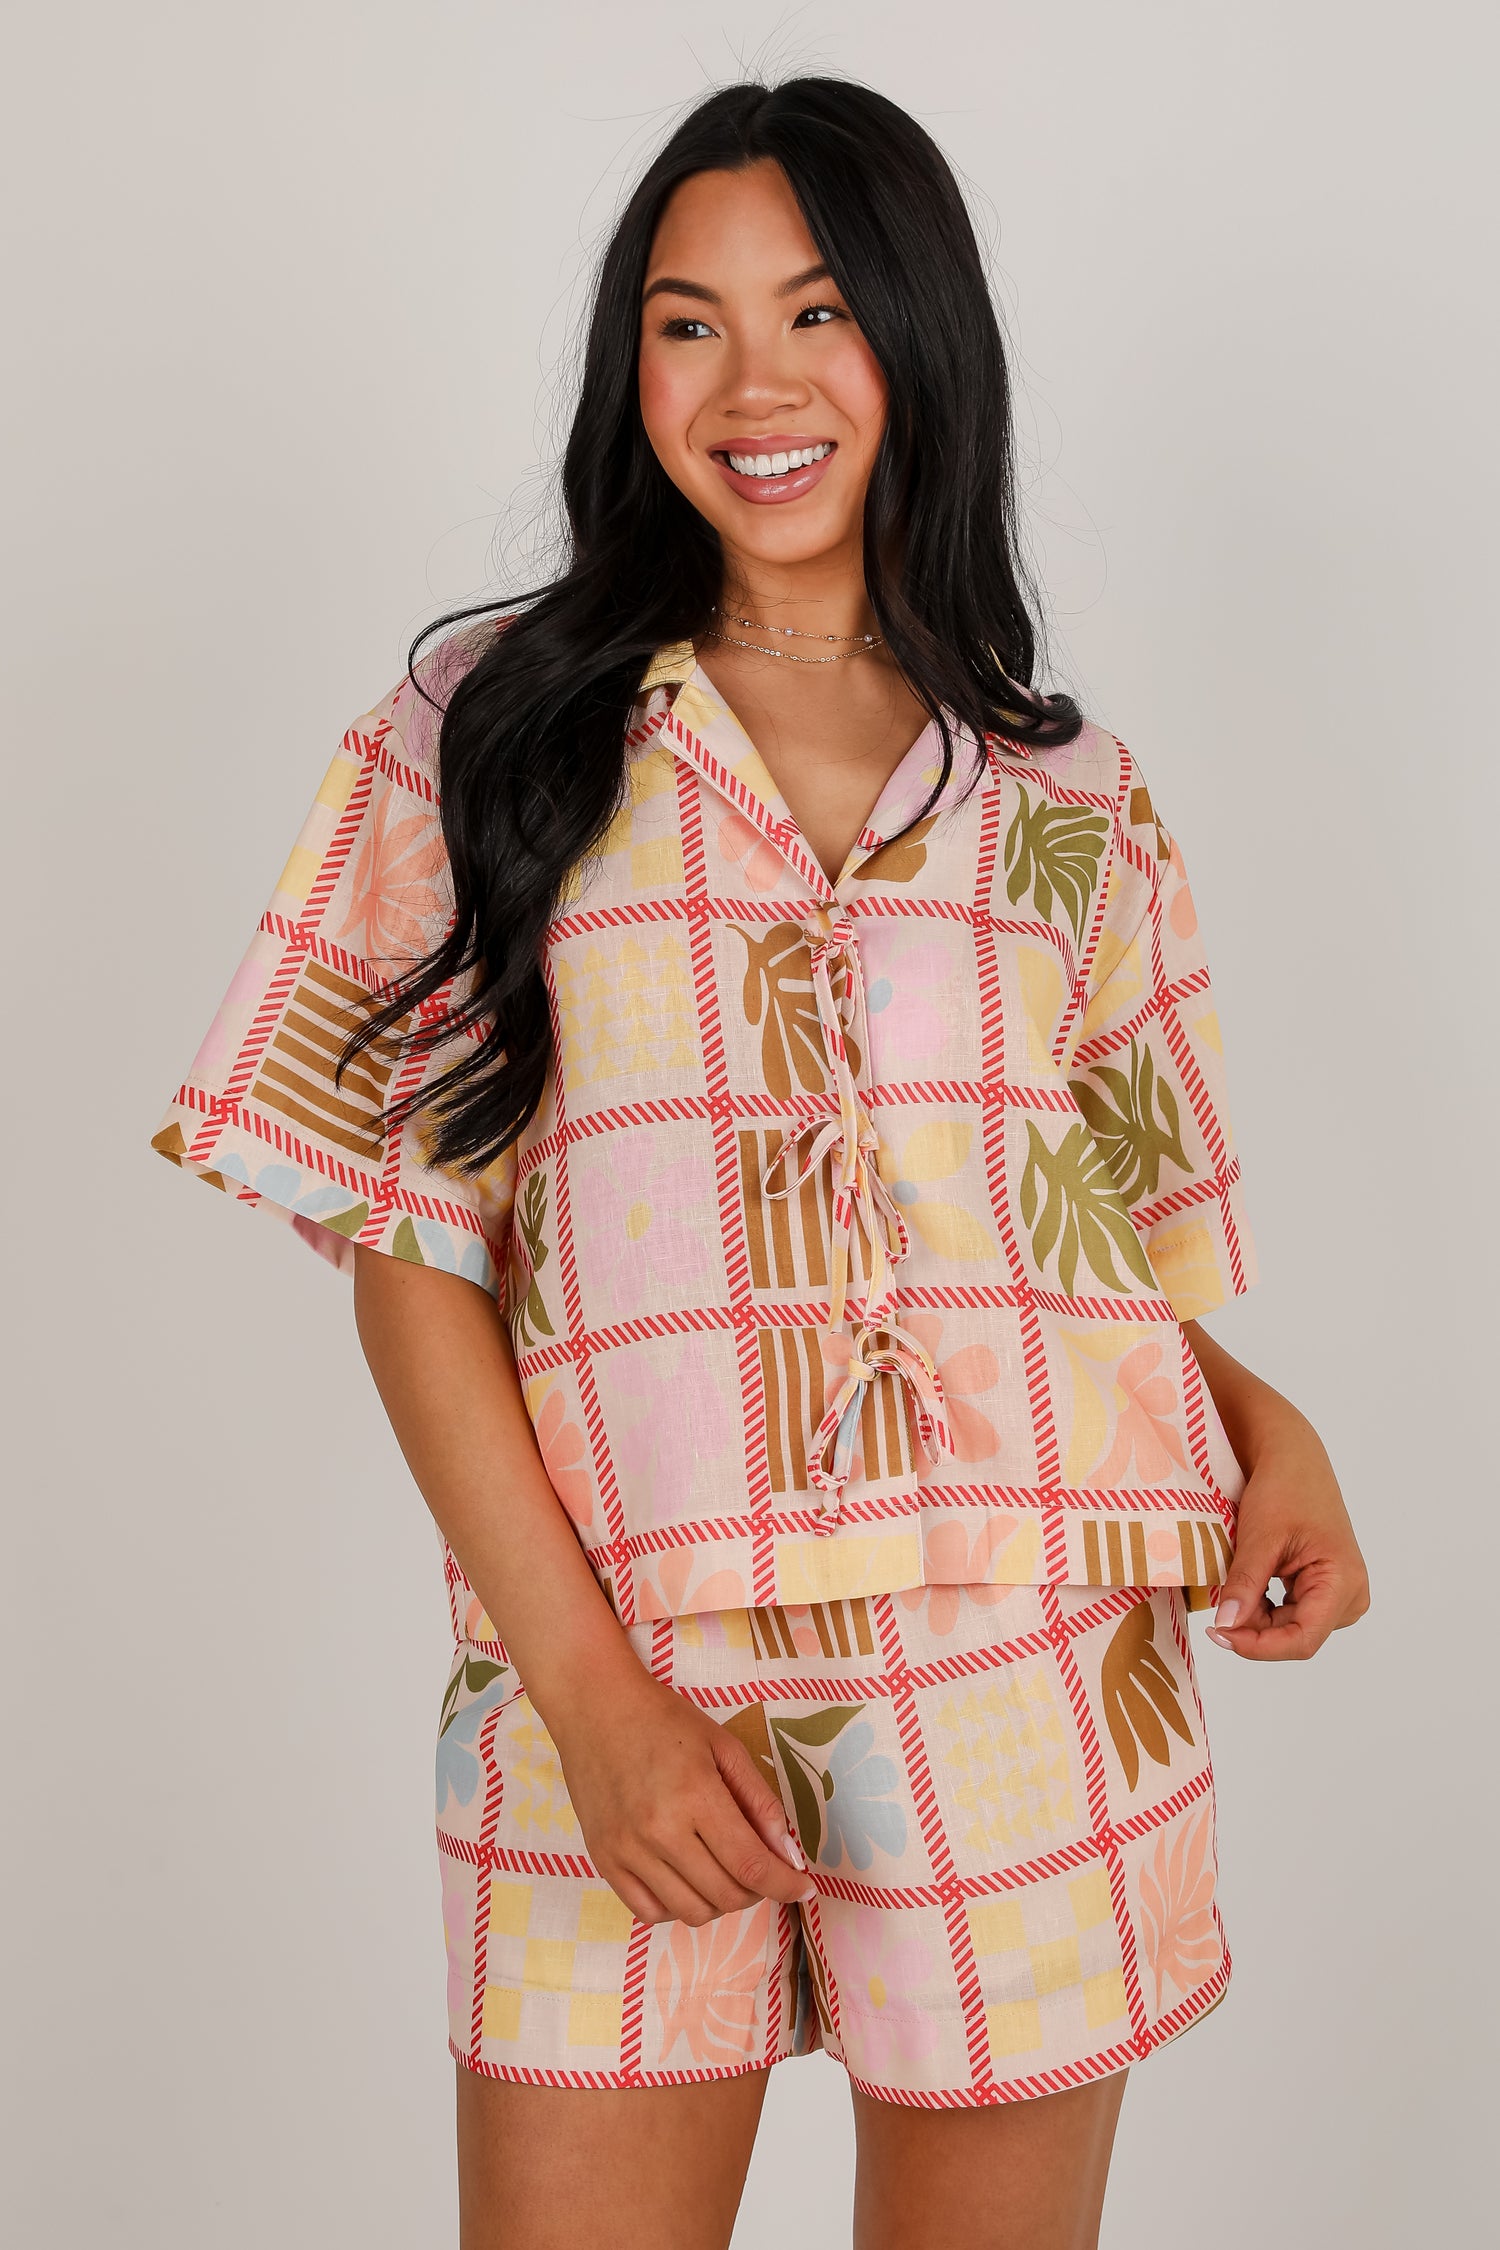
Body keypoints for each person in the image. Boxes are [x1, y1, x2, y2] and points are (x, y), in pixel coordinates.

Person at [152, 75, 1369, 2250]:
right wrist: (592, 1702)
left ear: (918, 337)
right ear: (632, 369)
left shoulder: (1068, 794)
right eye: (686, 323)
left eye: (817, 312)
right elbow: (409, 1248)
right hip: (606, 1667)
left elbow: (1078, 1254)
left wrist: (1269, 1427)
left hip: (1023, 1657)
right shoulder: (489, 731)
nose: (755, 384)